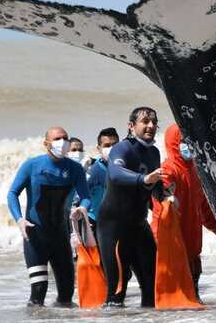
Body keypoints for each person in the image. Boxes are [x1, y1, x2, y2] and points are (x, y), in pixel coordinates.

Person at [6, 127, 91, 306]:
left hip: (60, 237)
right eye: (58, 138)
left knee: (67, 295)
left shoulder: (75, 169)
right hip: (35, 236)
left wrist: (82, 208)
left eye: (66, 138)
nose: (63, 142)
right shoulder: (32, 165)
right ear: (46, 144)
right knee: (38, 293)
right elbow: (12, 193)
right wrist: (19, 220)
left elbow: (85, 197)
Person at [96, 107, 164, 307]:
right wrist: (144, 178)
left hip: (139, 225)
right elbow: (116, 174)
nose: (150, 126)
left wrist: (164, 193)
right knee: (117, 292)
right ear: (131, 126)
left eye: (154, 122)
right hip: (113, 227)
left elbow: (155, 187)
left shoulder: (154, 152)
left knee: (151, 288)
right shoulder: (122, 148)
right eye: (145, 121)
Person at [151, 123, 216, 300]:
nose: (188, 144)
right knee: (172, 303)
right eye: (183, 141)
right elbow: (160, 201)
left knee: (192, 303)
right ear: (173, 142)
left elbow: (204, 209)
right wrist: (167, 198)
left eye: (190, 140)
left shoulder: (195, 171)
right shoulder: (168, 170)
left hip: (191, 252)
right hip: (172, 250)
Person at [84, 127, 120, 237]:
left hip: (119, 222)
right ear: (99, 148)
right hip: (96, 223)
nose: (112, 148)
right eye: (107, 146)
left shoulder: (124, 166)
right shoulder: (94, 171)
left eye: (115, 144)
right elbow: (80, 196)